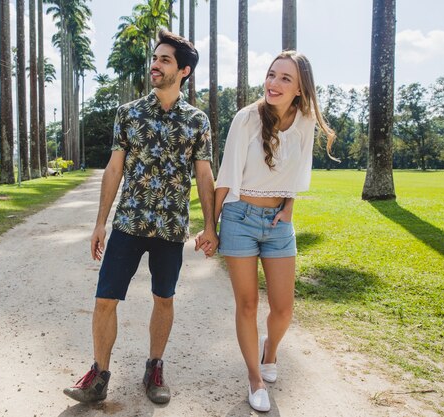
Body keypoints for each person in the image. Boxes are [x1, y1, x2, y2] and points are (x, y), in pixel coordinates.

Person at [63, 29, 218, 405]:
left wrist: (211, 225)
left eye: (164, 60)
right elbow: (114, 169)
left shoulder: (197, 121)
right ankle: (98, 375)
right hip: (128, 224)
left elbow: (204, 174)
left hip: (170, 228)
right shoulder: (128, 114)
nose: (155, 64)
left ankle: (155, 367)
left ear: (183, 71)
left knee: (163, 299)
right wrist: (100, 222)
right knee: (105, 299)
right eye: (155, 58)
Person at [196, 51, 336, 412]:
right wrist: (211, 227)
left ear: (300, 90)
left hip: (278, 224)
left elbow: (296, 174)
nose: (273, 83)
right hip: (240, 218)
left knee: (284, 309)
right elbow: (225, 176)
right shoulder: (246, 119)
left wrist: (288, 209)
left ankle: (269, 351)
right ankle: (255, 377)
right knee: (247, 304)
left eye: (285, 78)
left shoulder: (304, 122)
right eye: (272, 75)